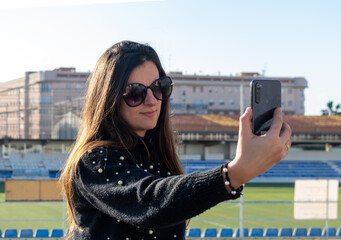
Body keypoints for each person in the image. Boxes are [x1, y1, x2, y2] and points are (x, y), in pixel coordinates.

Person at [60, 40, 292, 239]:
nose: (152, 100)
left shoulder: (158, 155)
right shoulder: (94, 161)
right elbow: (150, 201)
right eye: (135, 93)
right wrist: (234, 174)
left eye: (158, 87)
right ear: (108, 99)